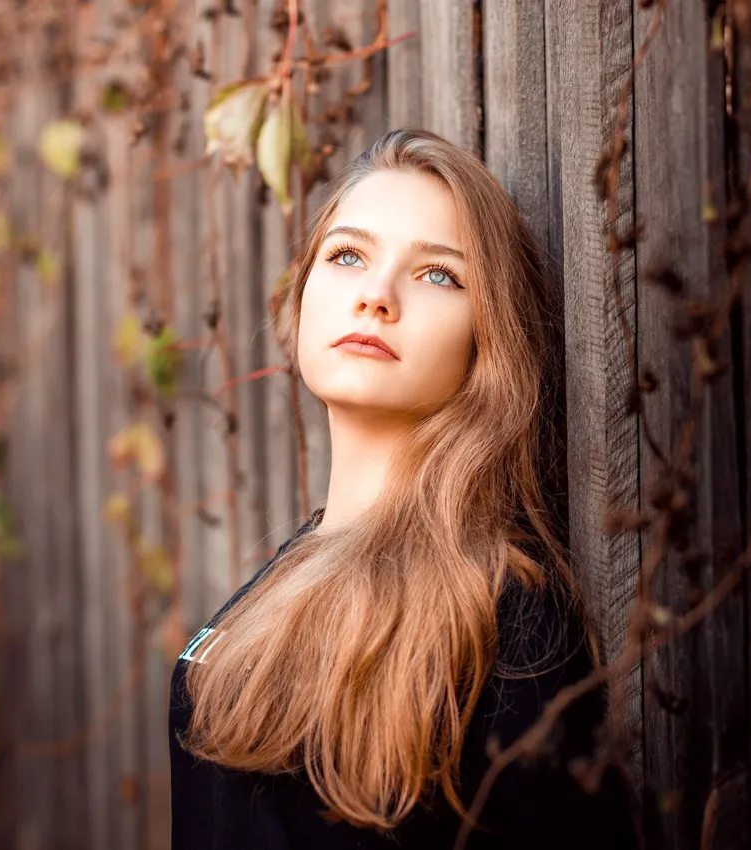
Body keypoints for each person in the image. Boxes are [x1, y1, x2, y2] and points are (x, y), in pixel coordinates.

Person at [168, 128, 639, 850]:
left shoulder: (508, 621)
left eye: (438, 275)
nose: (376, 297)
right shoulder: (289, 572)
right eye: (348, 256)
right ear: (302, 297)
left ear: (487, 340)